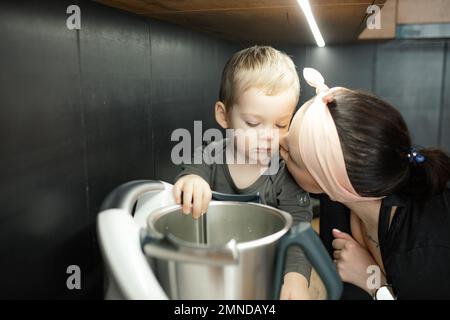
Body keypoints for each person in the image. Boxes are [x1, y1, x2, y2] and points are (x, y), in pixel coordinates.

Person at [280, 67, 450, 299]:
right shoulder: (339, 201)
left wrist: (373, 282)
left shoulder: (422, 254)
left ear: (331, 183)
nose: (278, 144)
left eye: (289, 153)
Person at [173, 46, 313, 299]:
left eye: (281, 124)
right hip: (213, 275)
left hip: (265, 275)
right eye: (253, 123)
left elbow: (300, 231)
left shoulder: (285, 172)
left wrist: (296, 278)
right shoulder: (210, 154)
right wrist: (191, 180)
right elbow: (191, 169)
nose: (268, 137)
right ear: (224, 115)